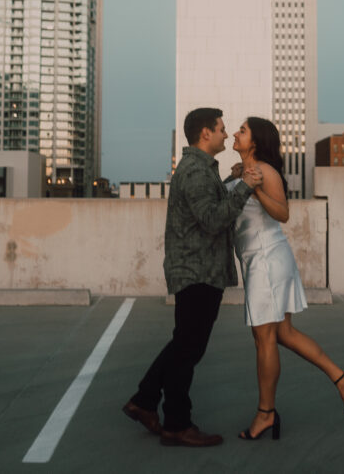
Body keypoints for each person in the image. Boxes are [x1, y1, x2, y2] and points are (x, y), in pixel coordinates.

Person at [122, 107, 263, 447]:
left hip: (200, 269)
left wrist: (230, 181)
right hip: (198, 271)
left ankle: (144, 402)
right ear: (205, 134)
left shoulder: (200, 169)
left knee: (184, 345)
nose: (226, 135)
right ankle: (176, 423)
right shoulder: (196, 172)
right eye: (221, 129)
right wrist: (244, 186)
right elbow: (213, 220)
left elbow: (207, 205)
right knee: (188, 349)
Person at [228, 117, 344, 441]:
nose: (236, 133)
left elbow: (283, 213)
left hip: (267, 260)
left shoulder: (264, 171)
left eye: (243, 130)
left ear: (256, 141)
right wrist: (241, 179)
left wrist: (253, 188)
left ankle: (266, 414)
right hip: (258, 261)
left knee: (265, 339)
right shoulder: (245, 171)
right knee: (284, 334)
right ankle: (343, 380)